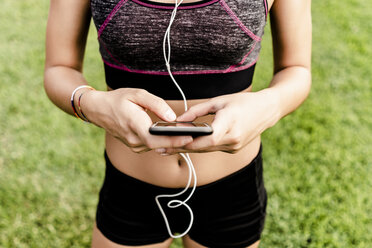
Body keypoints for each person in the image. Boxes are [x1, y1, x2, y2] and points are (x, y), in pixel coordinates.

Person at [44, 0, 311, 247]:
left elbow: (296, 68)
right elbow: (59, 67)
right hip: (129, 189)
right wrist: (91, 104)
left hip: (232, 191)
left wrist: (269, 105)